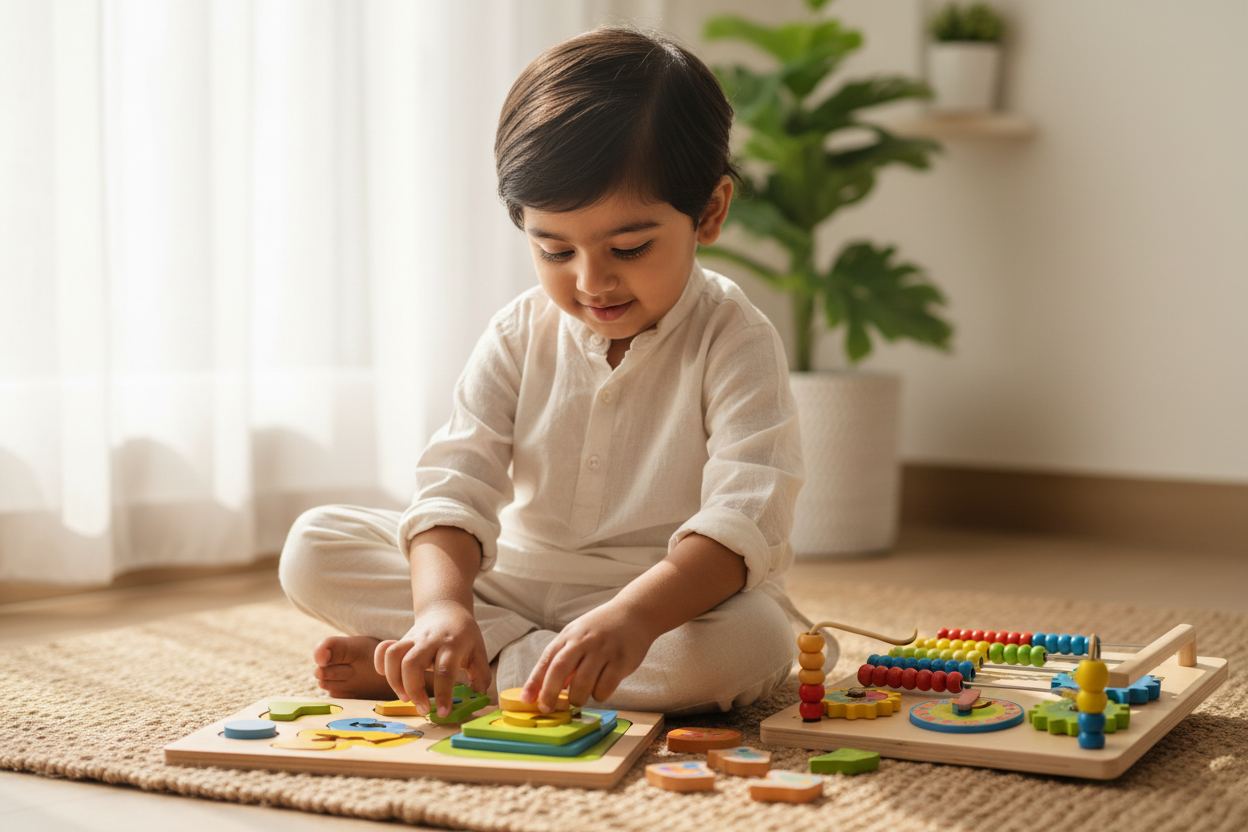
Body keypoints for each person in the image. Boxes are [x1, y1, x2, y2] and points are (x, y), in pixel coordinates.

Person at [280, 26, 833, 719]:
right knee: (313, 543)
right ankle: (462, 649)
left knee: (753, 642)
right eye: (553, 249)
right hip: (515, 580)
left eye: (628, 247)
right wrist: (444, 608)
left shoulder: (736, 337)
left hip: (663, 602)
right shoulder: (518, 331)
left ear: (710, 212)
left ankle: (476, 667)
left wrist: (631, 619)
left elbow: (743, 518)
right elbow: (457, 483)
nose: (591, 280)